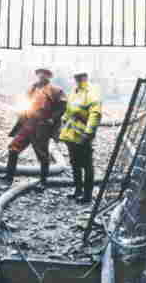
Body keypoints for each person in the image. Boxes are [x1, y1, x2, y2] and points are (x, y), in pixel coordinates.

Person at [1, 68, 66, 190]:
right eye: (40, 74)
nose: (42, 76)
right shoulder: (32, 88)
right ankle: (8, 177)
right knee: (13, 148)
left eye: (45, 74)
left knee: (43, 155)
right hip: (27, 124)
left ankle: (43, 182)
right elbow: (24, 103)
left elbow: (62, 106)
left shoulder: (55, 90)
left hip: (42, 126)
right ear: (37, 75)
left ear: (49, 77)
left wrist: (52, 119)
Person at [60, 72, 102, 204]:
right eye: (76, 78)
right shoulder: (74, 92)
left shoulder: (91, 93)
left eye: (81, 77)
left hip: (83, 136)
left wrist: (88, 133)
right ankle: (78, 190)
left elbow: (95, 114)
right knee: (75, 163)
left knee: (87, 165)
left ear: (86, 77)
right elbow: (69, 110)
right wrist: (63, 121)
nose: (78, 80)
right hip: (71, 135)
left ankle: (87, 195)